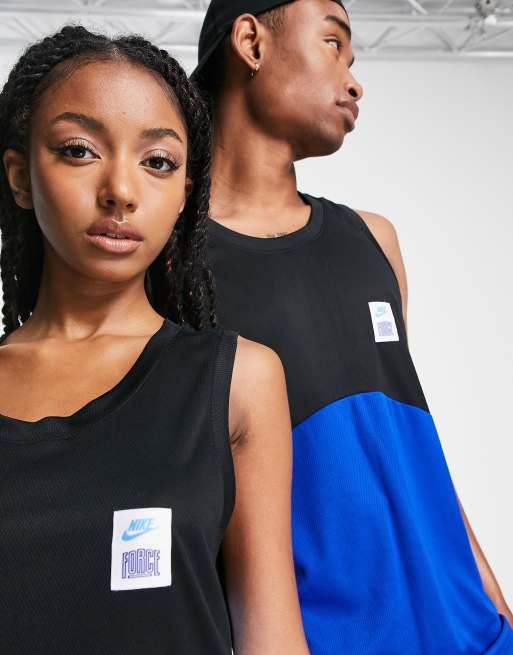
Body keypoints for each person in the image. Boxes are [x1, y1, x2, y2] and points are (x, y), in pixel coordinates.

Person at [191, 1, 513, 653]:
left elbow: (412, 449)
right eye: (332, 43)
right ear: (250, 41)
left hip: (470, 631)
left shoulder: (374, 239)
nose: (354, 81)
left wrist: (495, 603)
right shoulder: (171, 264)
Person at [0, 25, 310, 655]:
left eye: (158, 162)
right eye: (80, 150)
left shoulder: (237, 381)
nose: (121, 190)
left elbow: (271, 637)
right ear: (20, 177)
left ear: (184, 196)